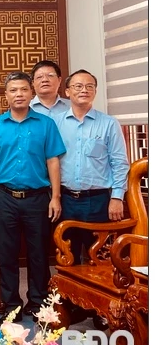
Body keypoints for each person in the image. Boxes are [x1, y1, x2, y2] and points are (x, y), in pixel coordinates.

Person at [0, 72, 65, 325]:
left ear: (31, 93)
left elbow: (53, 161)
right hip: (4, 197)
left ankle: (37, 302)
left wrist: (55, 197)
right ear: (6, 95)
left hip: (38, 198)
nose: (19, 94)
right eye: (13, 90)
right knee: (6, 253)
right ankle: (11, 304)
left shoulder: (46, 124)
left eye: (23, 90)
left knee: (39, 253)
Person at [54, 69, 130, 265]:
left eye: (90, 86)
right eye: (78, 86)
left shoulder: (109, 123)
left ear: (95, 91)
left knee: (98, 257)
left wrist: (117, 197)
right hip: (66, 199)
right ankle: (68, 296)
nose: (84, 90)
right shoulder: (55, 123)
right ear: (68, 92)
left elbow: (120, 163)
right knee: (67, 257)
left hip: (98, 200)